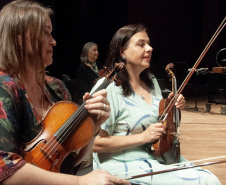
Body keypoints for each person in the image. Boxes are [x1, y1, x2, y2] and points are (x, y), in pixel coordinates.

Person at [0, 1, 130, 185]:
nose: (53, 41)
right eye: (45, 33)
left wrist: (93, 126)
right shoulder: (4, 87)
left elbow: (68, 162)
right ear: (20, 37)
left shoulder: (57, 88)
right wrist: (80, 182)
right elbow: (3, 168)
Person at [91, 24, 221, 184]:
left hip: (156, 156)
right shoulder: (108, 87)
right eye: (141, 44)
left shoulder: (151, 82)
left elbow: (162, 126)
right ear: (122, 51)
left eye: (149, 43)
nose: (150, 48)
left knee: (210, 179)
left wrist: (173, 109)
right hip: (123, 164)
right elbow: (94, 144)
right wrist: (142, 137)